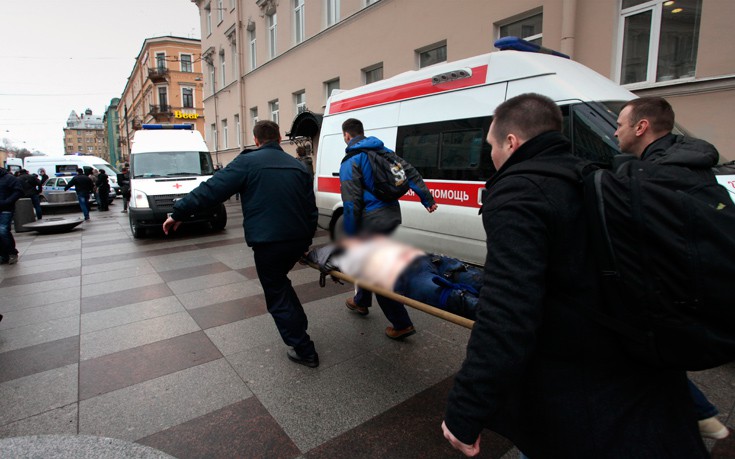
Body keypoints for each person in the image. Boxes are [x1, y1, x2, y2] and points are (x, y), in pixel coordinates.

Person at [441, 93, 707, 458]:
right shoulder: (591, 174)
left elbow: (507, 312)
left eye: (490, 145)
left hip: (581, 390)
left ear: (511, 142)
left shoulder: (520, 193)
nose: (490, 156)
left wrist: (466, 408)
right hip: (639, 374)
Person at [615, 95, 729, 441]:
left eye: (620, 124)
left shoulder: (656, 175)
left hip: (673, 290)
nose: (616, 130)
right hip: (693, 286)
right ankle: (700, 415)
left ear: (641, 126)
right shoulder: (689, 162)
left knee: (634, 352)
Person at [162, 120, 320, 368]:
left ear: (256, 141)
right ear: (279, 139)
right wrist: (305, 241)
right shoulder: (298, 166)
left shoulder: (247, 162)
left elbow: (211, 190)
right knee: (281, 285)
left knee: (277, 292)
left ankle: (304, 348)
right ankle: (299, 331)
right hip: (297, 238)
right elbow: (311, 210)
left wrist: (179, 212)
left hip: (269, 242)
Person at [339, 117, 438, 340]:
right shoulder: (384, 151)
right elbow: (410, 173)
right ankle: (361, 301)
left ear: (347, 135)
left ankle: (401, 323)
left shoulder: (351, 160)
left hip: (371, 220)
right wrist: (427, 199)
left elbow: (351, 202)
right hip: (391, 215)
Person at [307, 236, 482, 320]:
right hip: (422, 259)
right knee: (476, 280)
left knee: (453, 299)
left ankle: (502, 320)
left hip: (406, 275)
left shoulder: (327, 258)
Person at [0, 166, 23, 264]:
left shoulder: (9, 178)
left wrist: (7, 201)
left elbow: (18, 191)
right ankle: (3, 254)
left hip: (6, 209)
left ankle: (12, 253)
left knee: (3, 230)